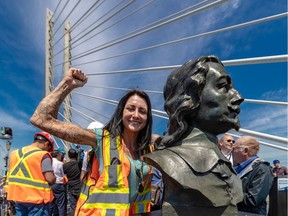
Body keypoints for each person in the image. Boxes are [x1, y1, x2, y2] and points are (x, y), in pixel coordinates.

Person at [30, 68, 154, 215]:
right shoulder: (103, 140)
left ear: (148, 117)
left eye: (142, 111)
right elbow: (41, 118)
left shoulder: (147, 150)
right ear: (121, 112)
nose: (136, 115)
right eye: (131, 109)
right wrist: (67, 84)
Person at [144, 56, 244, 215]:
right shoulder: (168, 161)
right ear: (189, 99)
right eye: (223, 86)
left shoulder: (226, 165)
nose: (238, 97)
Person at [5, 132, 56, 215]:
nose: (47, 151)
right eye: (48, 148)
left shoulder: (14, 153)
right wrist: (54, 179)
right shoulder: (43, 155)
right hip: (36, 199)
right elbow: (50, 178)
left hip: (17, 197)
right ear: (46, 144)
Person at [233, 136, 274, 215]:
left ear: (245, 151)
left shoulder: (262, 169)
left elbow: (254, 199)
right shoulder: (238, 168)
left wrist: (225, 194)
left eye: (235, 148)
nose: (231, 150)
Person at [63, 148, 81, 216]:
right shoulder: (79, 164)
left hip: (71, 187)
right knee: (81, 204)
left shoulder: (65, 165)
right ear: (76, 155)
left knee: (73, 206)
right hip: (80, 187)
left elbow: (61, 174)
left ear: (68, 156)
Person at [50, 150, 67, 216]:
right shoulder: (60, 164)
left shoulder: (49, 162)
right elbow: (63, 174)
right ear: (57, 155)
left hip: (50, 184)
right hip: (59, 183)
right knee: (61, 204)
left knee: (51, 203)